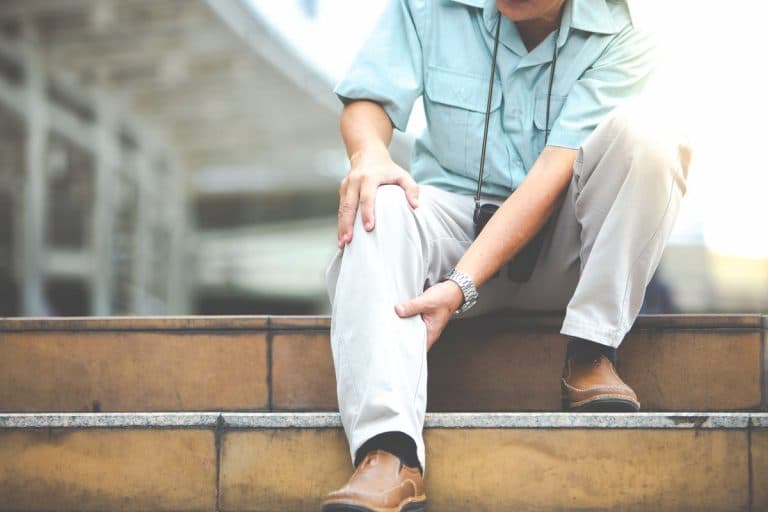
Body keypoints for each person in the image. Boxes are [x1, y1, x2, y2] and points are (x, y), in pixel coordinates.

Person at [321, 0, 690, 510]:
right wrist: (370, 155)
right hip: (451, 226)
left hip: (564, 248)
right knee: (376, 199)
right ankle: (388, 453)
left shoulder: (628, 30)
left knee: (652, 139)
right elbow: (368, 98)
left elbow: (549, 176)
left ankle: (590, 351)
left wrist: (460, 286)